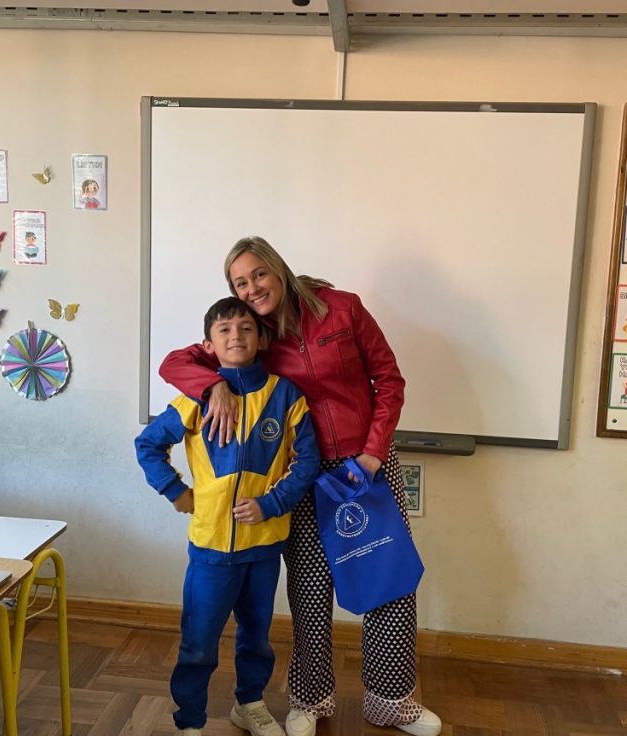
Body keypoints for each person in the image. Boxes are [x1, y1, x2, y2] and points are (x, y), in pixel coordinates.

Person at [159, 236, 442, 736]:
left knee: (388, 583)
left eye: (258, 275)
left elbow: (388, 380)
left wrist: (374, 452)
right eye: (240, 283)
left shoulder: (343, 308)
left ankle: (391, 701)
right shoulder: (253, 333)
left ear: (278, 269)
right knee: (310, 588)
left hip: (366, 467)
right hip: (301, 474)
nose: (252, 289)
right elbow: (174, 362)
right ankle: (310, 699)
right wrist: (213, 385)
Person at [137, 296, 320, 736]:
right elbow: (148, 445)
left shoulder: (285, 395)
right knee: (199, 642)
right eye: (224, 330)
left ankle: (249, 704)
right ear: (209, 345)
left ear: (261, 340)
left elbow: (307, 462)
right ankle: (190, 722)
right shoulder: (194, 398)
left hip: (264, 546)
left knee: (256, 637)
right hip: (211, 549)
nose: (236, 336)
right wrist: (176, 491)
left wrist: (270, 504)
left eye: (245, 328)